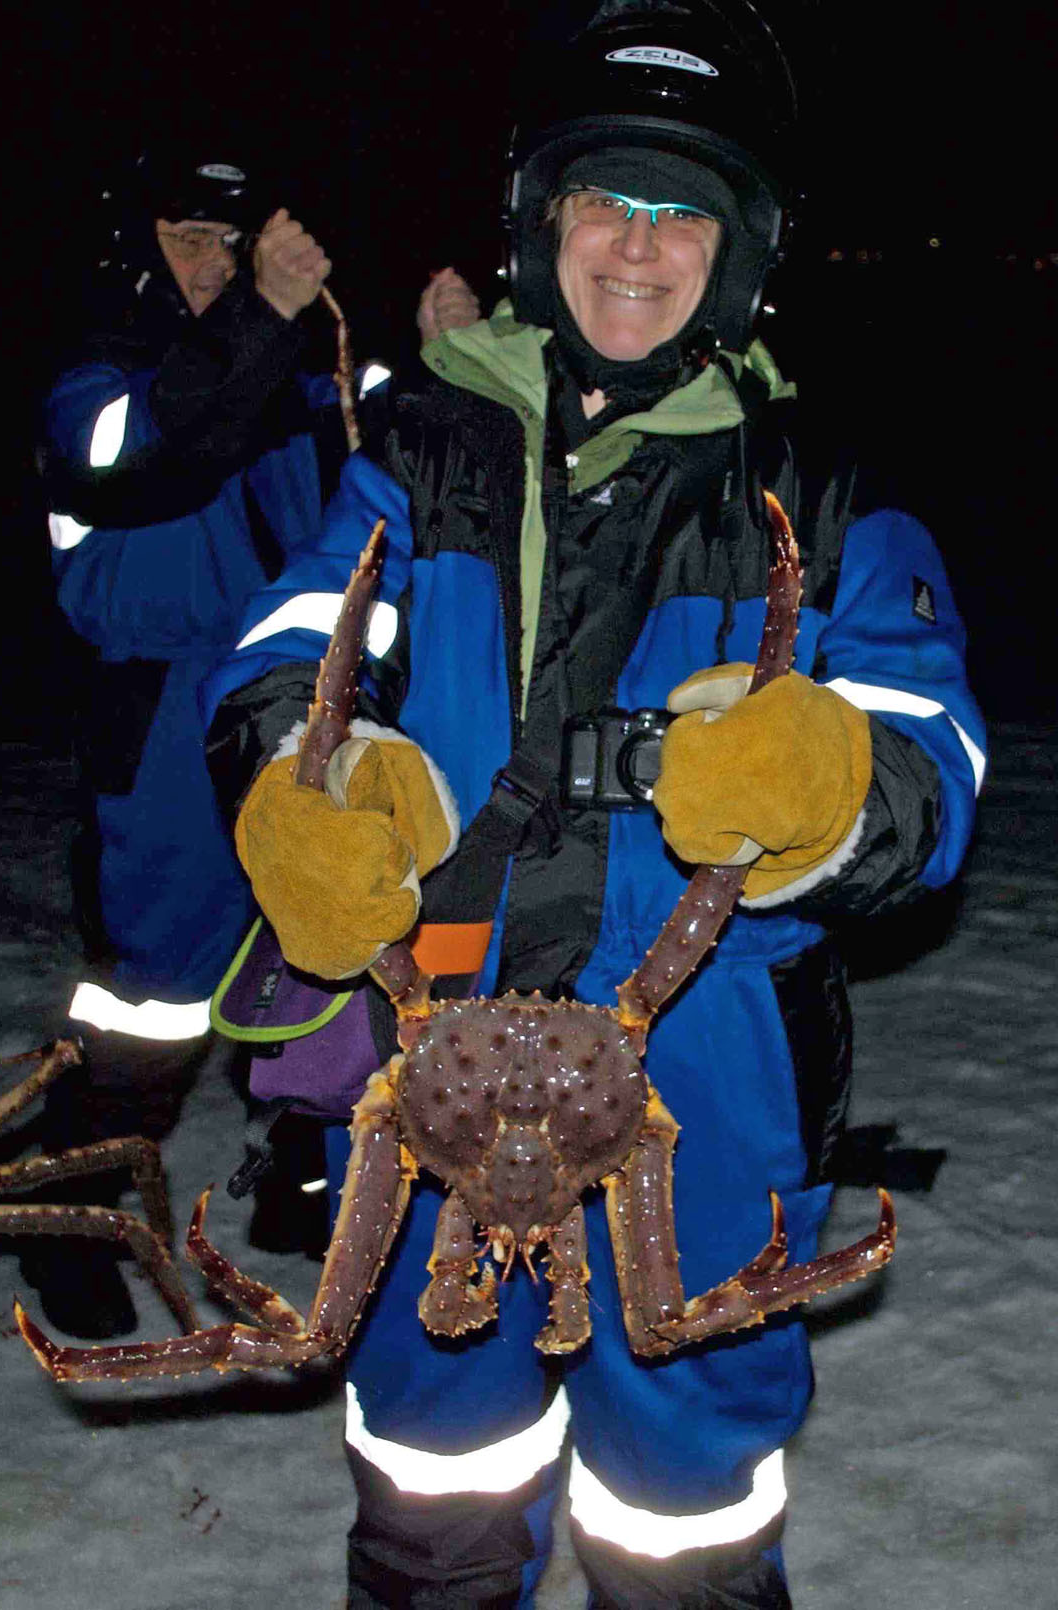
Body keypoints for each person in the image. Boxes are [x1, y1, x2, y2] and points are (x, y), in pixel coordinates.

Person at [204, 5, 985, 1605]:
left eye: (683, 208)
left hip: (709, 1080)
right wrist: (313, 772)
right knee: (432, 1491)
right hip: (430, 1060)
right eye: (600, 200)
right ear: (535, 224)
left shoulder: (821, 479)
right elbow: (291, 646)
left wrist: (840, 795)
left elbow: (934, 752)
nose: (638, 245)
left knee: (685, 1524)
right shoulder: (417, 447)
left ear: (745, 248)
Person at [30, 148, 338, 1337]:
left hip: (290, 705)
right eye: (189, 237)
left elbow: (377, 452)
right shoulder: (97, 383)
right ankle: (72, 1219)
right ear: (134, 247)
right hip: (162, 712)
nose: (216, 262)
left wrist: (440, 343)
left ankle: (307, 1185)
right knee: (153, 998)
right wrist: (263, 318)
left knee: (330, 956)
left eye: (232, 236)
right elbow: (157, 458)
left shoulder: (279, 374)